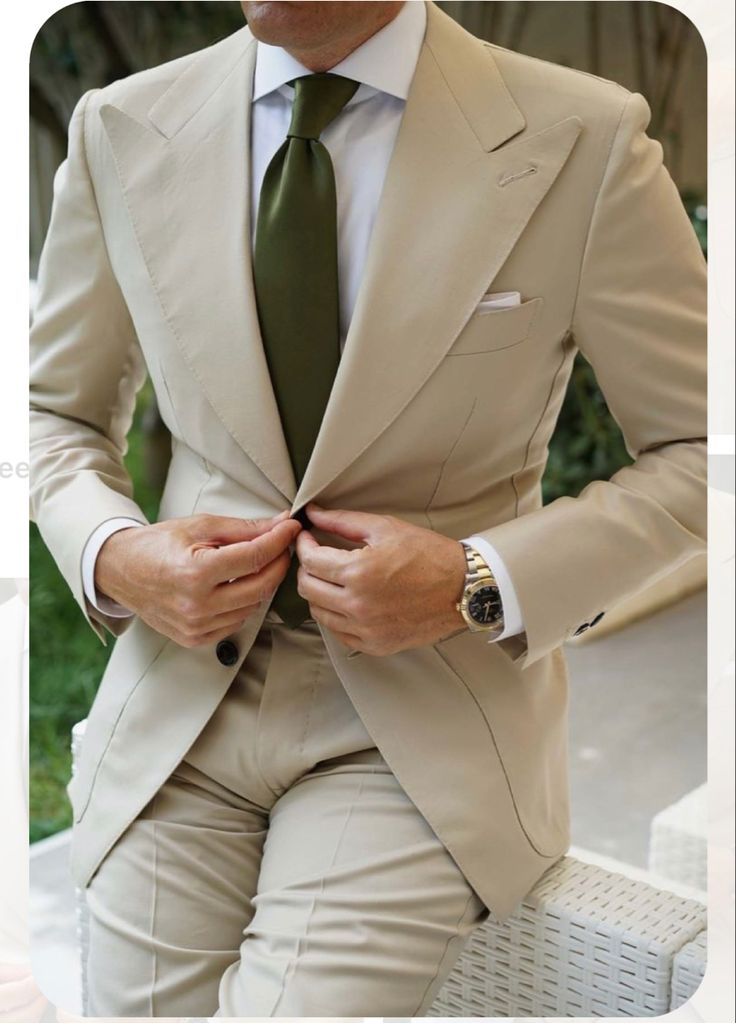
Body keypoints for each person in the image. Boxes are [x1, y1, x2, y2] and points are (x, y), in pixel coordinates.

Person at [29, 0, 706, 1015]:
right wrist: (115, 556)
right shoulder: (119, 124)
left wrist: (477, 582)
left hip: (416, 729)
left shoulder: (585, 138)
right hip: (176, 712)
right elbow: (52, 415)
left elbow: (702, 454)